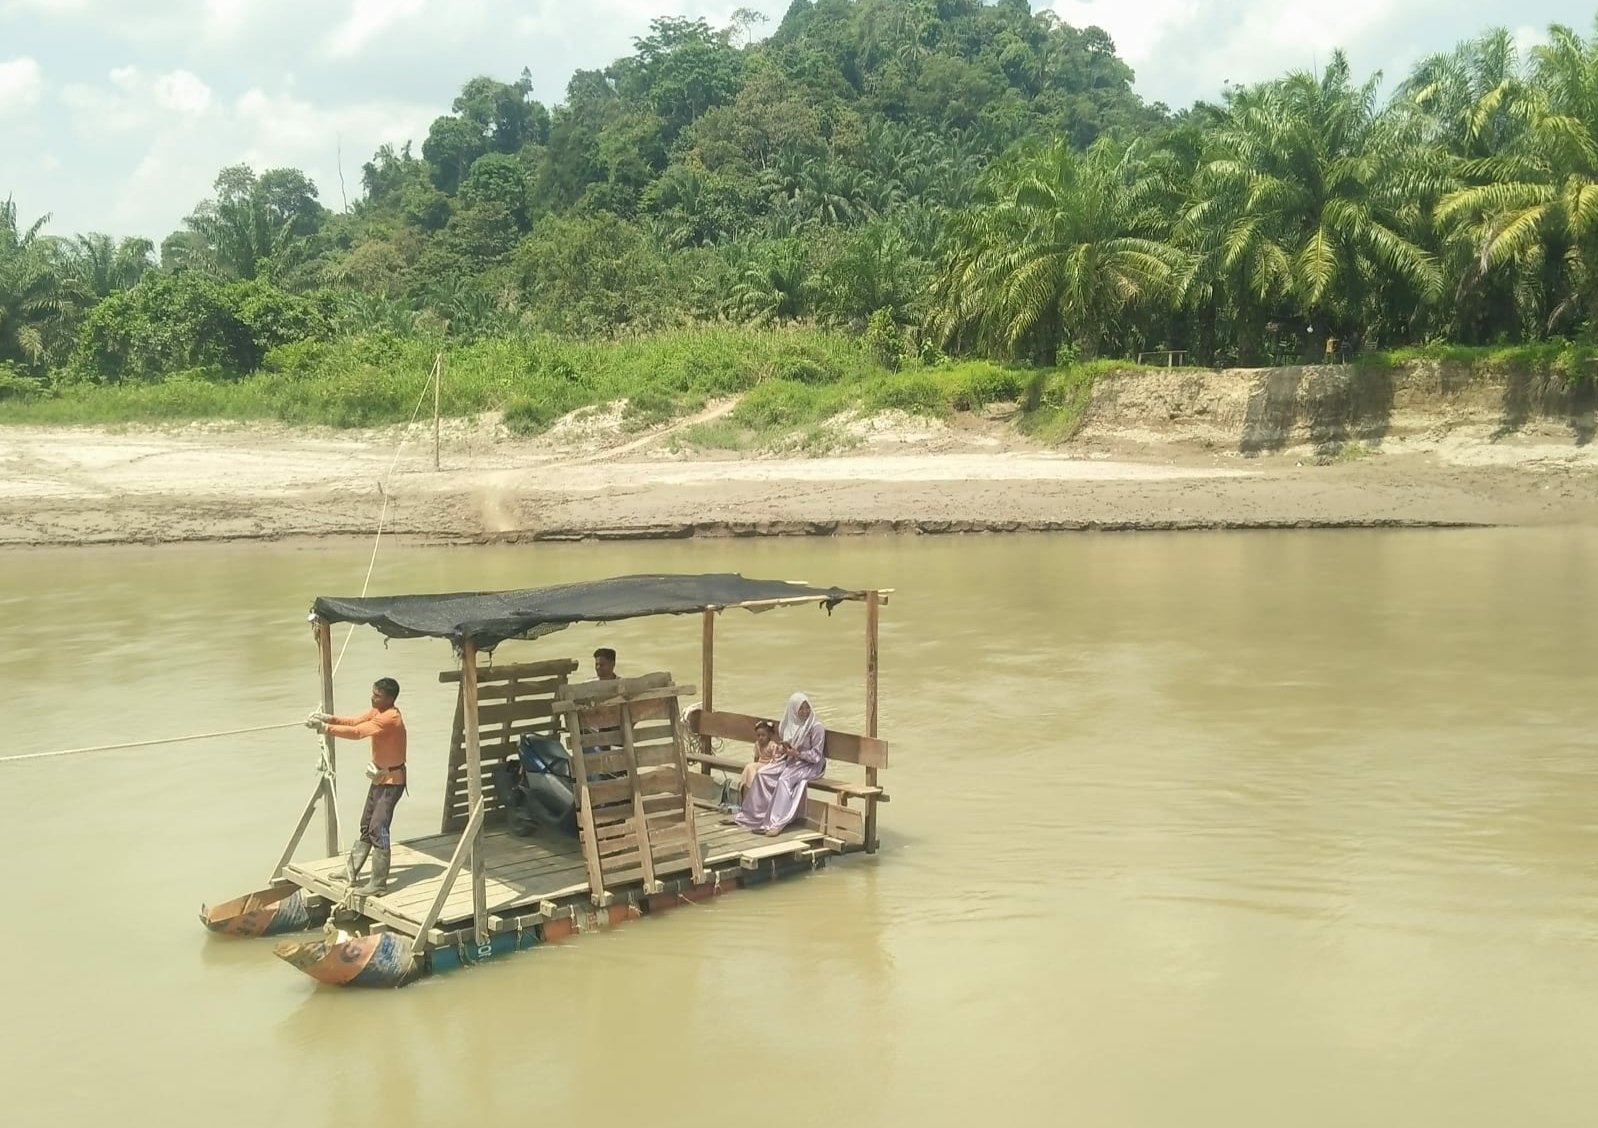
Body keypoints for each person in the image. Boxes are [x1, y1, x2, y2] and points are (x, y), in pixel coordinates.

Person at [307, 677, 407, 895]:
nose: (372, 698)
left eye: (377, 695)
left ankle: (378, 884)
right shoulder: (378, 711)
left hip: (392, 782)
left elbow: (358, 733)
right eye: (373, 693)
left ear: (389, 698)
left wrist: (324, 728)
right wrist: (329, 719)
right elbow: (354, 722)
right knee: (366, 824)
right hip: (380, 778)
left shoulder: (389, 718)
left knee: (378, 828)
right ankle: (350, 871)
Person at [734, 693, 826, 837]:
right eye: (801, 709)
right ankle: (754, 815)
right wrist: (785, 749)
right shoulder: (791, 725)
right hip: (791, 760)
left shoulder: (816, 727)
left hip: (810, 765)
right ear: (793, 710)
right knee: (763, 774)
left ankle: (776, 823)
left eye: (807, 708)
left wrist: (797, 753)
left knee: (784, 780)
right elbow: (787, 749)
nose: (805, 712)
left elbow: (816, 756)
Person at [739, 718, 780, 794]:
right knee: (749, 767)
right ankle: (749, 786)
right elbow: (756, 757)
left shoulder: (772, 745)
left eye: (763, 735)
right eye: (758, 735)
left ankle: (754, 788)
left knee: (757, 771)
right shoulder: (757, 744)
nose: (760, 738)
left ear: (769, 735)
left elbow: (775, 760)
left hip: (769, 766)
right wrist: (754, 764)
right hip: (760, 764)